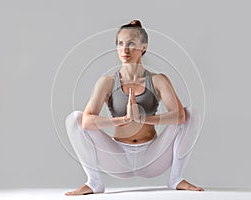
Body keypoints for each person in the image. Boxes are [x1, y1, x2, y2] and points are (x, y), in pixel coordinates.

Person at [65, 20, 204, 195]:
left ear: (143, 47)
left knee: (192, 113)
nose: (125, 49)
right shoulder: (107, 82)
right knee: (74, 119)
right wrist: (123, 119)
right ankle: (93, 182)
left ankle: (176, 178)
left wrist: (143, 119)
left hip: (153, 158)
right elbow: (86, 122)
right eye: (120, 44)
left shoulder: (158, 80)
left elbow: (180, 117)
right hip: (118, 159)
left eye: (131, 43)